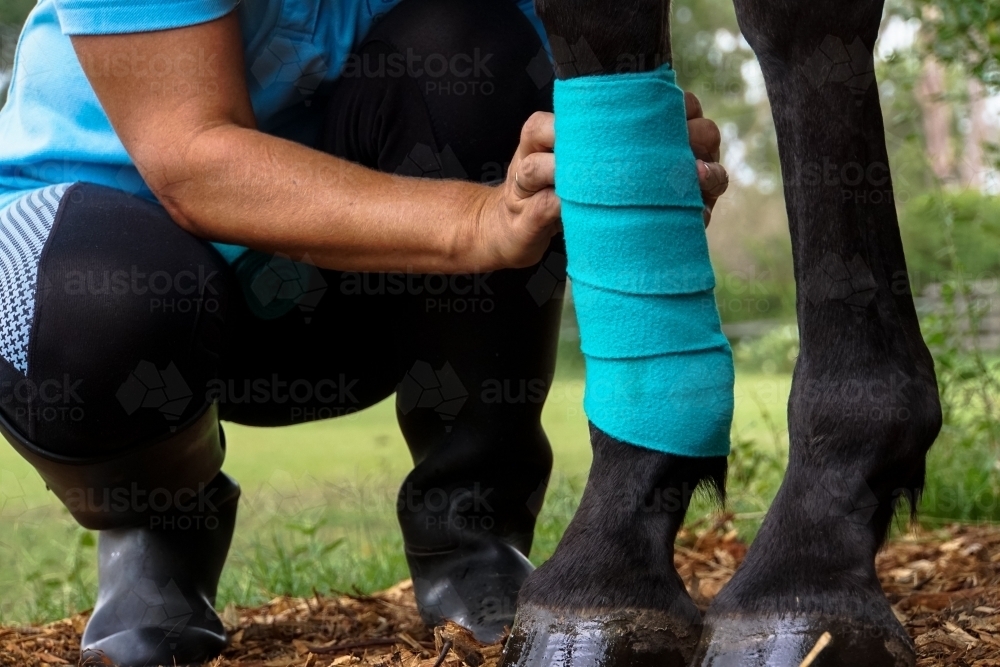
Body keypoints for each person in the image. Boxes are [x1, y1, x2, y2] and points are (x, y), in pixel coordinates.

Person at [0, 0, 730, 664]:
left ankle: (472, 533)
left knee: (480, 45)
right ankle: (155, 534)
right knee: (100, 308)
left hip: (355, 290)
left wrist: (629, 167)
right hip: (104, 264)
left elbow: (567, 110)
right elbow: (191, 160)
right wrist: (476, 220)